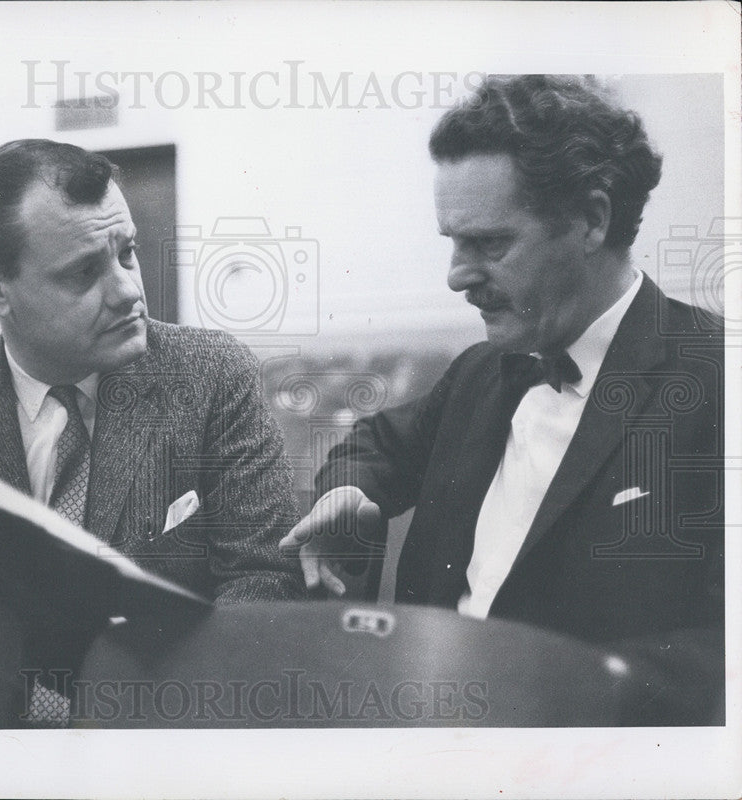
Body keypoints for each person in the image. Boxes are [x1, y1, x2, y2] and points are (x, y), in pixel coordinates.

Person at [280, 75, 723, 723]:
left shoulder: (717, 383)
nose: (457, 276)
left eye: (489, 243)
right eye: (453, 243)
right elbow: (374, 444)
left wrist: (527, 692)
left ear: (592, 221)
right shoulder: (482, 373)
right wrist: (352, 491)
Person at [0, 139, 303, 605]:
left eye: (127, 253)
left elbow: (265, 578)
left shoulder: (211, 377)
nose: (128, 291)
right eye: (84, 272)